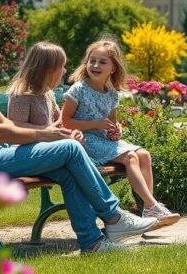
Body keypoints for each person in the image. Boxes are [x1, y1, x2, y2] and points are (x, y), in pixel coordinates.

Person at [0, 14, 159, 253]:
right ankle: (114, 217)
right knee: (70, 148)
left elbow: (3, 123)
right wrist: (46, 136)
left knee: (66, 168)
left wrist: (51, 133)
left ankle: (93, 243)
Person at [62, 39, 180, 226]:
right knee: (130, 157)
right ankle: (152, 206)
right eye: (92, 60)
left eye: (102, 62)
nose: (95, 65)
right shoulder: (79, 89)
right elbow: (65, 122)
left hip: (105, 142)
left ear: (113, 68)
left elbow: (112, 122)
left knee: (144, 154)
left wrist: (115, 130)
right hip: (85, 142)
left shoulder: (111, 93)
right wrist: (96, 124)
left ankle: (148, 212)